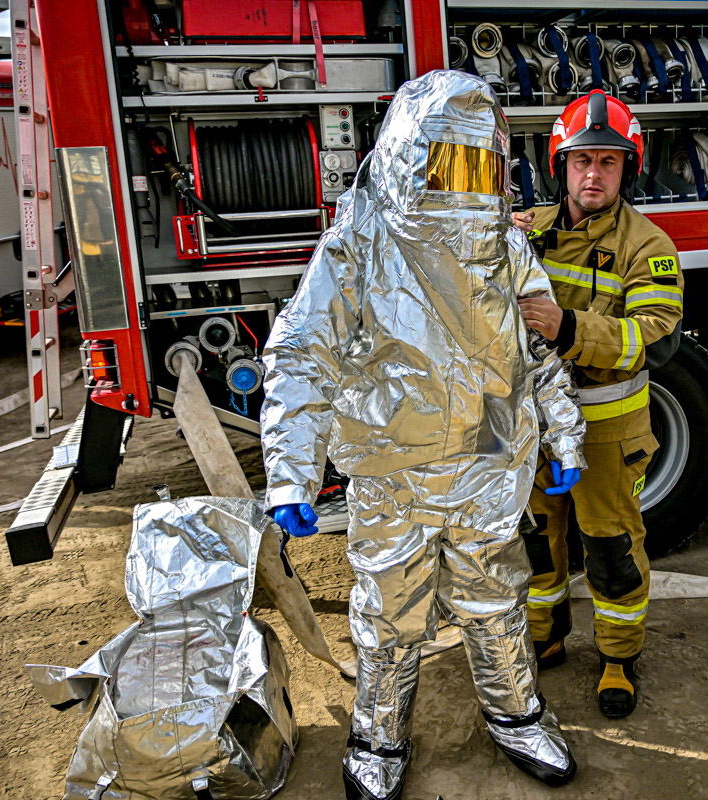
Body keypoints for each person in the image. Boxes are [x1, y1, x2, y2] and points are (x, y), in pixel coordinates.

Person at [260, 71, 587, 800]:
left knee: (495, 599)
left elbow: (536, 347)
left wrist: (563, 432)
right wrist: (290, 470)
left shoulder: (503, 243)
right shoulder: (360, 242)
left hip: (487, 465)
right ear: (411, 156)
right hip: (394, 474)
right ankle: (378, 737)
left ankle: (516, 715)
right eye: (446, 161)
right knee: (388, 614)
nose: (463, 184)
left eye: (479, 166)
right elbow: (300, 351)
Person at [513, 89, 684, 719]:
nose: (593, 173)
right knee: (538, 541)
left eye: (607, 162)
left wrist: (566, 326)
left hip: (606, 433)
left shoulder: (649, 246)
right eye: (582, 159)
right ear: (561, 163)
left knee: (610, 548)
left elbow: (655, 338)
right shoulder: (527, 229)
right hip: (532, 427)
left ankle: (617, 656)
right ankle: (545, 635)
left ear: (626, 168)